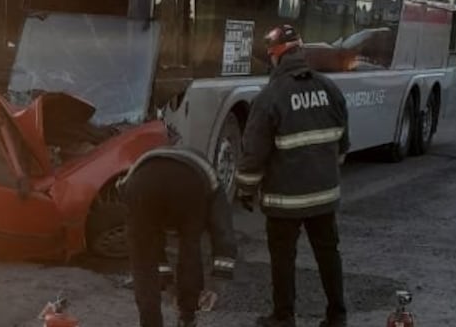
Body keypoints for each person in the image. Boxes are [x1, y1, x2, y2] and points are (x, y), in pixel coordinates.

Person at [236, 25, 350, 327]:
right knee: (328, 254)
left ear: (275, 57)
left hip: (285, 200)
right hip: (325, 196)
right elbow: (342, 143)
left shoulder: (271, 96)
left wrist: (245, 190)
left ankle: (284, 317)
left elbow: (253, 152)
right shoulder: (329, 88)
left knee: (283, 258)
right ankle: (337, 316)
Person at [117, 146, 238, 327]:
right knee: (190, 246)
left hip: (140, 183)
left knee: (143, 263)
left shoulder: (138, 183)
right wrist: (216, 285)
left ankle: (150, 323)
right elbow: (224, 232)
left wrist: (170, 286)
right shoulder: (211, 187)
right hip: (188, 183)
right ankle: (187, 318)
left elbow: (153, 249)